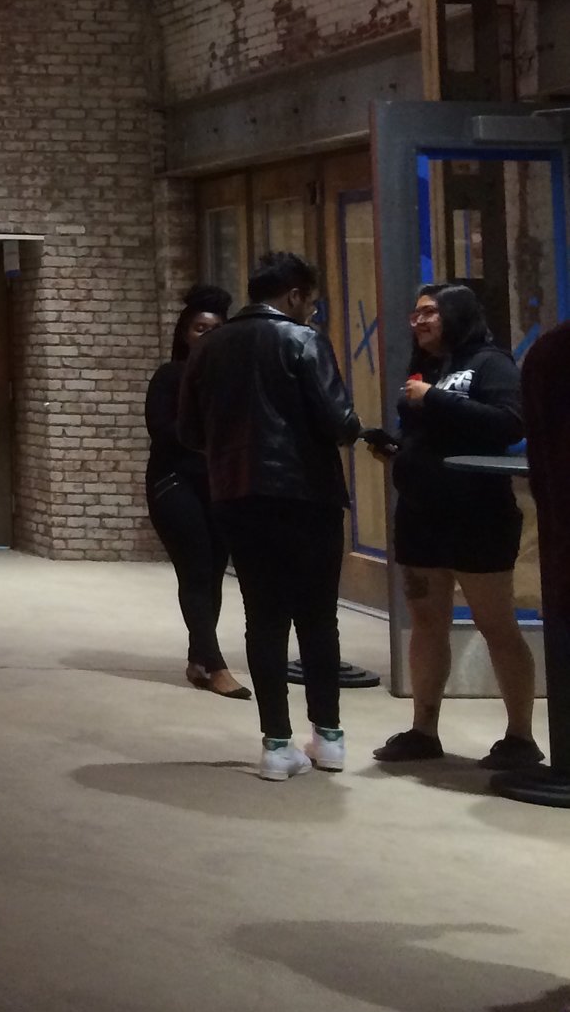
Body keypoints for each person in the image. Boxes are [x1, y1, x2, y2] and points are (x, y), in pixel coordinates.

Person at [177, 250, 362, 781]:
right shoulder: (303, 340)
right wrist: (355, 429)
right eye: (311, 303)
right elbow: (337, 420)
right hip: (308, 497)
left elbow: (190, 432)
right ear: (296, 295)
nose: (312, 313)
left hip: (236, 494)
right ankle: (328, 738)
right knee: (317, 617)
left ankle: (276, 745)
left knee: (263, 618)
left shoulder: (208, 349)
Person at [369, 283, 542, 770]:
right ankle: (424, 729)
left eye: (429, 312)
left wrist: (434, 400)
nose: (418, 321)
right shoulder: (423, 368)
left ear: (456, 314)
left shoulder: (492, 363)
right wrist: (398, 450)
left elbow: (510, 424)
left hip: (479, 517)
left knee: (496, 625)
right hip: (422, 516)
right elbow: (428, 431)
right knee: (426, 624)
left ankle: (520, 738)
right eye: (415, 313)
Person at [145, 284, 246, 698]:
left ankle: (198, 658)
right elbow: (164, 432)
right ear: (185, 333)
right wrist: (212, 437)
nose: (207, 335)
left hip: (219, 485)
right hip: (174, 483)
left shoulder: (232, 379)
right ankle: (217, 665)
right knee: (196, 568)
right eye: (200, 328)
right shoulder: (170, 376)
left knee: (214, 572)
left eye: (216, 329)